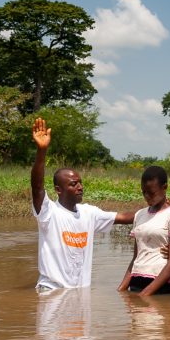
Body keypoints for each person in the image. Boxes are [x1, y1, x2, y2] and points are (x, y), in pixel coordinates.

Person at [30, 117, 135, 291]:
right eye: (73, 184)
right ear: (58, 189)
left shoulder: (89, 213)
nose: (80, 187)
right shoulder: (49, 213)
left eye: (80, 183)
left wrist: (156, 209)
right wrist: (42, 151)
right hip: (52, 291)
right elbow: (37, 187)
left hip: (80, 292)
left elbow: (123, 217)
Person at [117, 166, 170, 296]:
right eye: (144, 192)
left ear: (164, 187)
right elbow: (136, 258)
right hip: (136, 283)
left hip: (162, 287)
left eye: (151, 193)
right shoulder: (140, 215)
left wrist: (145, 294)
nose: (147, 197)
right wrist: (121, 289)